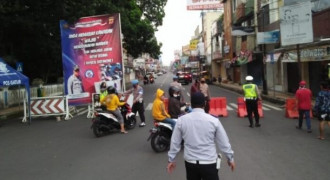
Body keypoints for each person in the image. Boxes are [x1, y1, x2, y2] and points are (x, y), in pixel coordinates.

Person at [167, 92, 235, 180]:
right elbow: (224, 142)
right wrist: (230, 158)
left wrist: (171, 160)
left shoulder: (182, 120)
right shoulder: (213, 120)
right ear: (205, 103)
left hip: (190, 163)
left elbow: (175, 142)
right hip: (209, 163)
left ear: (191, 103)